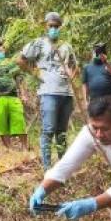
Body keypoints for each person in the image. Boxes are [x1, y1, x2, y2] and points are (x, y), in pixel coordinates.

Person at [28, 95, 111, 220]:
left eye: (104, 129)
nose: (99, 134)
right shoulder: (90, 133)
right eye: (95, 128)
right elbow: (66, 165)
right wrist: (42, 190)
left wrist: (91, 204)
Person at [18, 12, 78, 170]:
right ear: (45, 26)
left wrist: (70, 75)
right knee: (48, 129)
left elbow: (75, 66)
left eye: (56, 26)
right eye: (51, 26)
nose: (54, 29)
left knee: (62, 132)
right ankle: (47, 168)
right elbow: (21, 60)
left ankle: (63, 167)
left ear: (60, 27)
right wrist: (35, 72)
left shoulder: (66, 46)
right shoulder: (38, 44)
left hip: (66, 93)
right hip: (48, 92)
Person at [0, 39, 29, 150]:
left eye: (0, 50)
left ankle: (25, 149)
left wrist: (24, 95)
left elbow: (20, 79)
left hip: (13, 97)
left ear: (4, 51)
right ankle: (10, 149)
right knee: (1, 125)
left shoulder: (11, 64)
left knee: (19, 123)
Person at [81, 43, 111, 110]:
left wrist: (105, 62)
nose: (98, 54)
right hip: (94, 101)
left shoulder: (109, 65)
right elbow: (85, 85)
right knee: (96, 119)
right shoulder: (87, 67)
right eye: (96, 51)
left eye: (101, 52)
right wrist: (86, 101)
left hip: (110, 100)